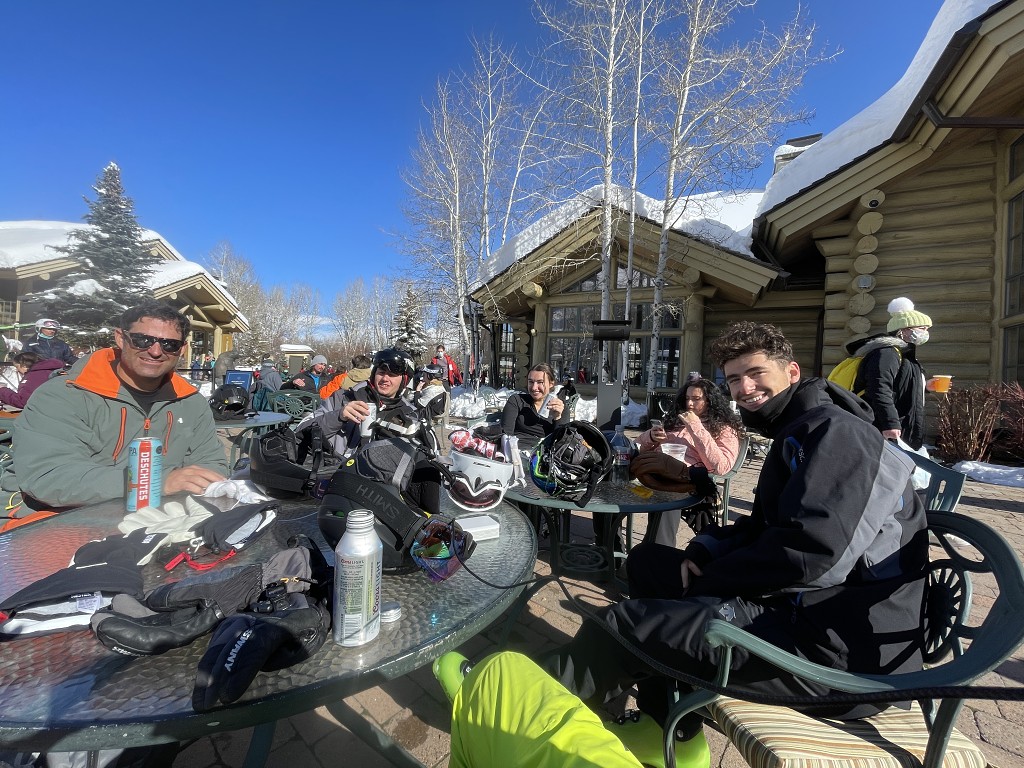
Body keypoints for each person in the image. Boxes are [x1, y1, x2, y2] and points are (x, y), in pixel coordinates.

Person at [545, 321, 928, 753]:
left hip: (837, 652)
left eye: (756, 373)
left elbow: (813, 554)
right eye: (733, 379)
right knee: (648, 563)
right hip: (804, 607)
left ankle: (533, 725)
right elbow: (766, 527)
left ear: (792, 372)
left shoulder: (838, 435)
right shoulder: (802, 429)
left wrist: (714, 580)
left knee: (621, 625)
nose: (744, 388)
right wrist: (707, 549)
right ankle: (664, 725)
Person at [2, 301, 229, 509]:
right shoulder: (65, 394)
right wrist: (154, 482)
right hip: (57, 518)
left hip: (160, 519)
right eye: (142, 340)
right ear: (121, 338)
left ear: (182, 349)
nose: (155, 351)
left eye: (169, 344)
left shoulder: (190, 401)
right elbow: (48, 478)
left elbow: (211, 464)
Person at [295, 348, 442, 512]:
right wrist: (339, 416)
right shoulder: (343, 398)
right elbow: (300, 431)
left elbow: (430, 460)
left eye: (393, 375)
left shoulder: (409, 415)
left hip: (381, 500)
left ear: (404, 380)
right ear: (373, 373)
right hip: (334, 486)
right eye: (381, 372)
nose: (385, 379)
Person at [632, 373, 743, 544]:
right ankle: (611, 546)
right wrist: (651, 437)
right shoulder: (675, 421)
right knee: (612, 477)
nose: (690, 404)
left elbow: (721, 467)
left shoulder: (724, 428)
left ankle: (659, 552)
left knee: (667, 497)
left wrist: (695, 426)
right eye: (687, 398)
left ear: (710, 401)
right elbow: (637, 448)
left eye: (696, 399)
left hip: (686, 480)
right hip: (652, 472)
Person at [844, 296, 939, 450]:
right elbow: (879, 388)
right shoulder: (887, 354)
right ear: (903, 330)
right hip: (883, 430)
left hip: (900, 429)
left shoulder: (905, 354)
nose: (925, 333)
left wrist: (925, 386)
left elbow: (899, 385)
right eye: (922, 328)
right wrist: (890, 423)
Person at [500, 363, 569, 447]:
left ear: (551, 383)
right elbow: (506, 435)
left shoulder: (560, 407)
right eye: (531, 382)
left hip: (544, 452)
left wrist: (557, 418)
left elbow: (561, 443)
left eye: (540, 382)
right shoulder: (517, 401)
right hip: (517, 450)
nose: (534, 387)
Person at [0, 351, 65, 411]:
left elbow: (23, 401)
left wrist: (2, 390)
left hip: (44, 412)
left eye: (17, 367)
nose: (17, 370)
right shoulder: (51, 370)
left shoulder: (35, 376)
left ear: (24, 365)